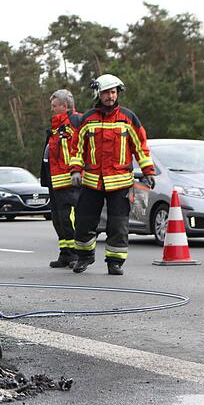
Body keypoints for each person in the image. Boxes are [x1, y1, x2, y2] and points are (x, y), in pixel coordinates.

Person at [69, 74, 156, 276]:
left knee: (118, 225)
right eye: (107, 92)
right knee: (84, 222)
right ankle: (84, 257)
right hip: (92, 182)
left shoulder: (128, 118)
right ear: (98, 94)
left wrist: (148, 171)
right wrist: (75, 170)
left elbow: (141, 147)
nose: (111, 96)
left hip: (120, 183)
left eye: (114, 92)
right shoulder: (87, 119)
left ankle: (115, 262)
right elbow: (76, 148)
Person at [40, 89, 81, 268]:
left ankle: (76, 254)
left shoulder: (75, 121)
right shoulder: (57, 125)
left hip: (69, 181)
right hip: (55, 180)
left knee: (69, 218)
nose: (52, 109)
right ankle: (65, 253)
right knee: (58, 218)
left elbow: (79, 148)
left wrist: (76, 171)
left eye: (54, 106)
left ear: (65, 106)